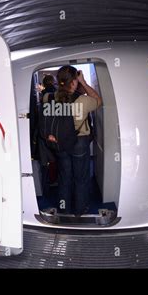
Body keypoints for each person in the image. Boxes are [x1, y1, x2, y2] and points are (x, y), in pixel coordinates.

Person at [43, 65, 102, 215]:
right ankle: (80, 210)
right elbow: (98, 100)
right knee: (81, 178)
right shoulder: (82, 101)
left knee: (64, 177)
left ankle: (64, 208)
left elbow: (46, 109)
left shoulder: (50, 97)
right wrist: (84, 83)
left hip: (59, 143)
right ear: (74, 82)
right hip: (79, 142)